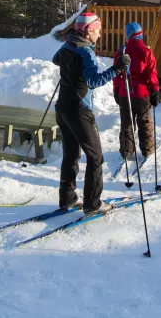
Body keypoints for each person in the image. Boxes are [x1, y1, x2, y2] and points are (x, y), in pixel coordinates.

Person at [53, 12, 130, 215]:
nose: (100, 34)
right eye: (98, 30)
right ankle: (92, 204)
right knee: (95, 157)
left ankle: (67, 198)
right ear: (88, 31)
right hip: (79, 110)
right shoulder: (86, 52)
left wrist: (71, 69)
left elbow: (56, 59)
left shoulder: (68, 44)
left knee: (71, 154)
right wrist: (117, 69)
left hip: (62, 106)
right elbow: (94, 81)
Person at [112, 22, 160, 164]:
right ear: (140, 34)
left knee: (127, 122)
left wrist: (116, 89)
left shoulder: (121, 52)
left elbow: (116, 73)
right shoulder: (146, 51)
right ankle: (147, 150)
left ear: (127, 34)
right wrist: (155, 90)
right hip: (141, 93)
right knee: (144, 121)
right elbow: (151, 74)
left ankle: (127, 150)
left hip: (124, 91)